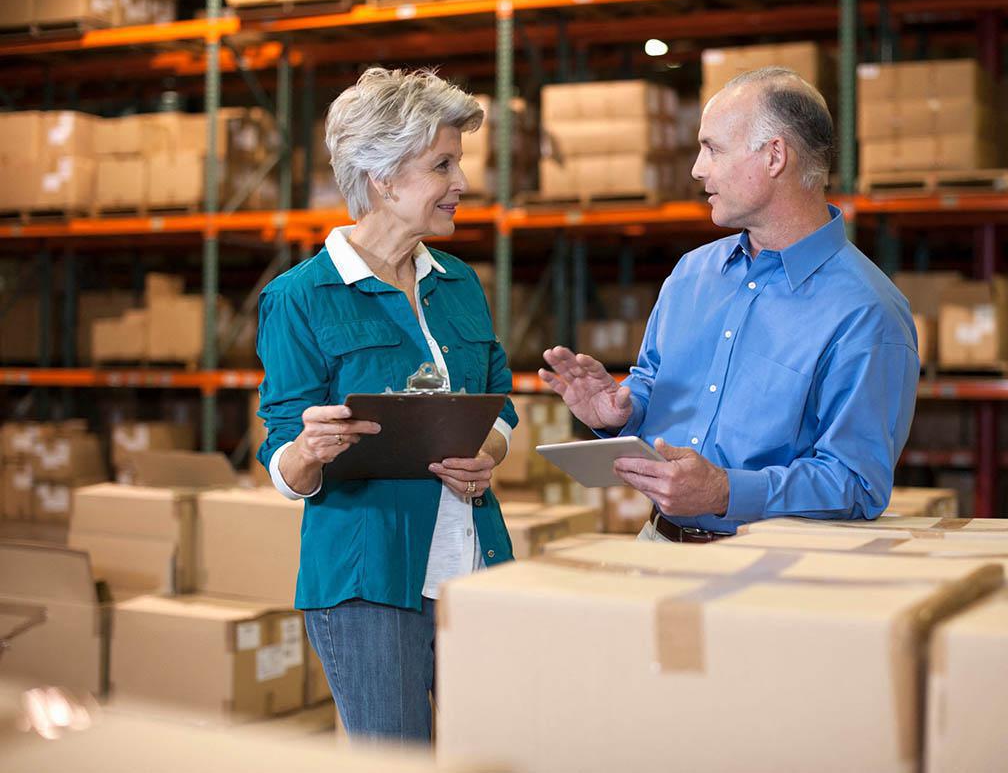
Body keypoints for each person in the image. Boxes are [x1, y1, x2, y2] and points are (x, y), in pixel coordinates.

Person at [539, 67, 919, 542]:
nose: (697, 169)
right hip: (659, 541)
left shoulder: (866, 312)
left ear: (774, 156)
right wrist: (622, 412)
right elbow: (654, 380)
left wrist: (725, 492)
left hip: (774, 565)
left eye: (712, 149)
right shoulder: (691, 274)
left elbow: (857, 484)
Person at [255, 68, 518, 742]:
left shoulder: (459, 283)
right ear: (382, 177)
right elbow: (282, 454)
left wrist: (486, 452)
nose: (462, 182)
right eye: (442, 165)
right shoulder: (300, 297)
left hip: (476, 569)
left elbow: (500, 403)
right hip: (367, 584)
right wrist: (308, 450)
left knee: (496, 751)